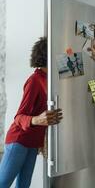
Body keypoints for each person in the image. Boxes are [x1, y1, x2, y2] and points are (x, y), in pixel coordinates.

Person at [0, 37, 63, 188]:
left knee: (24, 185)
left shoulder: (50, 79)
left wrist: (40, 141)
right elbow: (19, 117)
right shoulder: (34, 80)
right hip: (19, 141)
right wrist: (36, 120)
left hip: (33, 143)